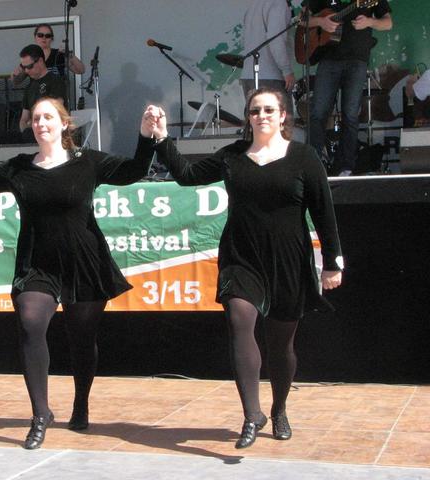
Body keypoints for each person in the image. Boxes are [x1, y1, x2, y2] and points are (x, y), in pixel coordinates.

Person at [147, 87, 343, 449]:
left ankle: (279, 408)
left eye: (269, 110)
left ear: (283, 115)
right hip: (242, 256)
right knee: (240, 321)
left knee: (281, 346)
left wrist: (333, 262)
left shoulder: (304, 158)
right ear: (248, 117)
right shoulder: (233, 156)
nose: (262, 116)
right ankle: (252, 414)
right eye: (255, 110)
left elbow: (323, 212)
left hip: (288, 259)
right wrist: (159, 138)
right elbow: (188, 174)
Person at [0, 97, 158, 450]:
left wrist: (146, 136)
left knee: (81, 338)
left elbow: (134, 170)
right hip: (37, 263)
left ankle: (81, 402)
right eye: (37, 118)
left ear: (63, 124)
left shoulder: (87, 161)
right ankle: (40, 414)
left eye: (48, 117)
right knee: (29, 322)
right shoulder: (19, 167)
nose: (41, 123)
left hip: (84, 261)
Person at [303, 0, 392, 176]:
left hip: (357, 60)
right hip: (327, 59)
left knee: (350, 114)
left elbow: (388, 22)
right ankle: (311, 165)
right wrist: (321, 22)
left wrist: (370, 22)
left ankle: (346, 167)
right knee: (318, 112)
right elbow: (302, 20)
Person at [240, 0, 295, 107]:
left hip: (249, 75)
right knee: (279, 121)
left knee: (255, 121)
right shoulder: (279, 4)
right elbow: (276, 40)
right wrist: (287, 70)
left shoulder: (254, 4)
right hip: (270, 77)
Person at [16, 44, 67, 142]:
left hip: (51, 136)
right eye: (24, 67)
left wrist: (33, 125)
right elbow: (23, 119)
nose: (26, 71)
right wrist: (26, 132)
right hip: (32, 135)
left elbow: (55, 111)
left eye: (29, 66)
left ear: (40, 61)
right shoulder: (29, 87)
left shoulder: (55, 81)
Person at [11, 23, 85, 87]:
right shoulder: (30, 57)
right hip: (37, 99)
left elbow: (80, 70)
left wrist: (69, 54)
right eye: (40, 35)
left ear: (51, 38)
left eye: (48, 35)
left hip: (57, 98)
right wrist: (15, 74)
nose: (44, 38)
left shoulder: (59, 54)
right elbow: (16, 81)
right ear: (35, 37)